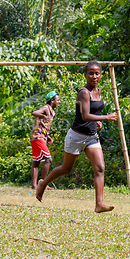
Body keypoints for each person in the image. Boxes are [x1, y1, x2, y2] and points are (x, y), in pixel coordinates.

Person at [36, 61, 118, 213]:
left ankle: (99, 204)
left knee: (100, 168)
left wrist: (98, 120)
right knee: (66, 169)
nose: (94, 76)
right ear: (85, 75)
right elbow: (85, 116)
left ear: (101, 75)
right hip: (76, 136)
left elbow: (93, 113)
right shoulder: (83, 92)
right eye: (91, 73)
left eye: (97, 73)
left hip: (92, 137)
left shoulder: (98, 91)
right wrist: (106, 117)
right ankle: (43, 183)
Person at [30, 91, 61, 189]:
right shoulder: (46, 108)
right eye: (58, 100)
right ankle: (43, 184)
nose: (59, 102)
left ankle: (34, 185)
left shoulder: (52, 111)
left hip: (39, 137)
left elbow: (43, 125)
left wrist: (47, 137)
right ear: (52, 100)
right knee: (48, 159)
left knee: (36, 162)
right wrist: (43, 115)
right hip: (38, 137)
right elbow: (34, 113)